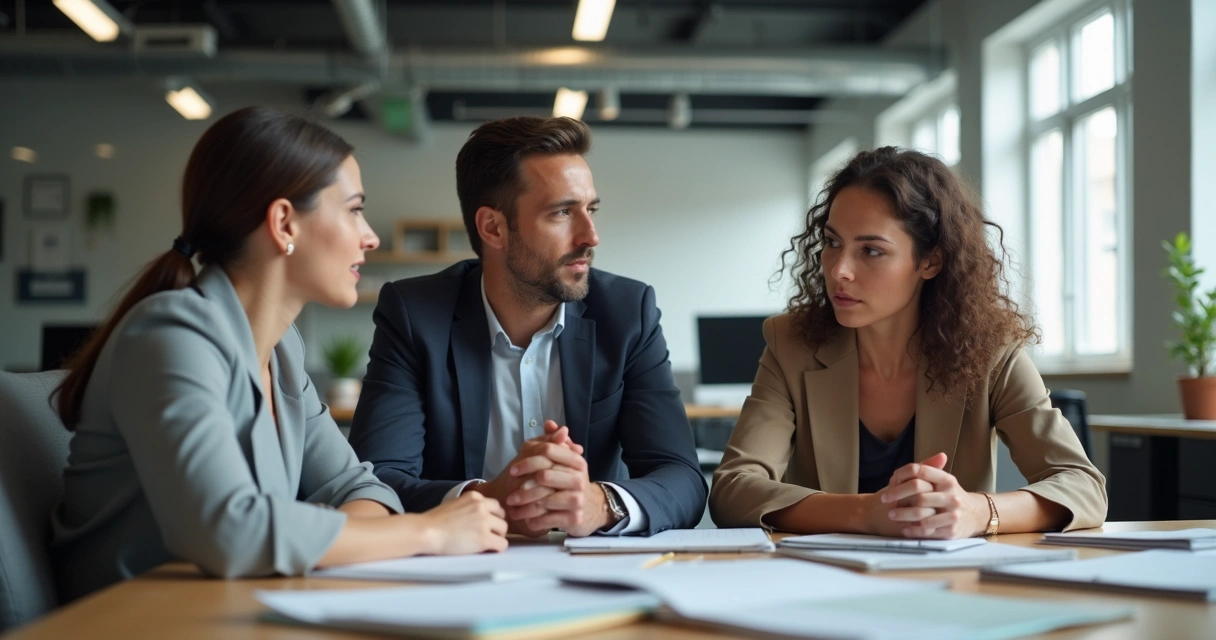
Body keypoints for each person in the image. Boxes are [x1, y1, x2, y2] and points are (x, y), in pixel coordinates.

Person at [50, 106, 507, 602]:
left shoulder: (282, 349)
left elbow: (365, 490)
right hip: (133, 623)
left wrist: (288, 537)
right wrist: (432, 532)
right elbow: (230, 534)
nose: (369, 235)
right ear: (284, 223)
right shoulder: (170, 336)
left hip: (230, 610)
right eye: (354, 209)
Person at [709, 147, 1106, 538]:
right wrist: (867, 512)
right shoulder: (791, 344)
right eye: (832, 243)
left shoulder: (989, 351)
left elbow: (1083, 487)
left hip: (951, 585)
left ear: (930, 261)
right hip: (822, 582)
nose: (839, 270)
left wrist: (979, 512)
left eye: (871, 251)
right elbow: (733, 490)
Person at [349, 116, 706, 537]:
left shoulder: (627, 312)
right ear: (493, 228)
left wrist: (600, 504)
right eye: (561, 213)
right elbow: (377, 481)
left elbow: (682, 477)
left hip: (595, 573)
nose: (591, 236)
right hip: (460, 574)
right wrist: (488, 499)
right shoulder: (415, 314)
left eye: (590, 210)